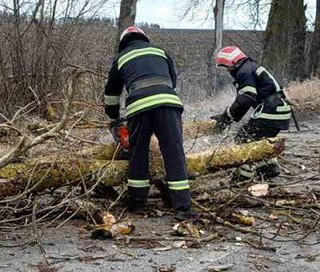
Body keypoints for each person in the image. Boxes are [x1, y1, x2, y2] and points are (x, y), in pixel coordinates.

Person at [103, 25, 196, 220]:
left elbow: (111, 95)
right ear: (144, 38)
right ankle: (183, 207)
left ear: (123, 43)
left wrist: (113, 119)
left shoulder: (121, 58)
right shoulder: (160, 52)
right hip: (169, 104)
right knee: (174, 152)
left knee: (138, 153)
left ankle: (137, 201)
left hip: (139, 108)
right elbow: (172, 81)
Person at [210, 45, 292, 178]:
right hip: (280, 110)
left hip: (271, 110)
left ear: (233, 62)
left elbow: (246, 98)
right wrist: (230, 117)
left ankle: (243, 176)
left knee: (244, 139)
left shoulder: (244, 71)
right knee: (260, 140)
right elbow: (247, 100)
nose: (227, 70)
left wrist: (226, 117)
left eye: (226, 66)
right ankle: (269, 167)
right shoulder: (250, 67)